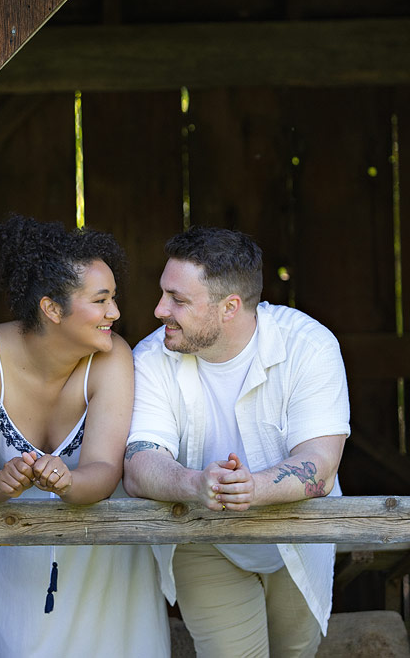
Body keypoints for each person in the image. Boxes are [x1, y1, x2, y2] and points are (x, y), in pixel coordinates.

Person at [0, 214, 170, 658]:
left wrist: (68, 481)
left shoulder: (112, 357)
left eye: (114, 298)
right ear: (51, 308)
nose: (116, 313)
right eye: (101, 300)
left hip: (108, 567)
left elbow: (104, 471)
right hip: (17, 567)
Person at [123, 226, 350, 658]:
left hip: (297, 536)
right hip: (202, 538)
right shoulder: (151, 358)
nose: (158, 310)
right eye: (163, 293)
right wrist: (196, 485)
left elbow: (320, 463)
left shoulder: (310, 346)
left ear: (229, 307)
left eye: (178, 300)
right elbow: (139, 463)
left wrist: (252, 488)